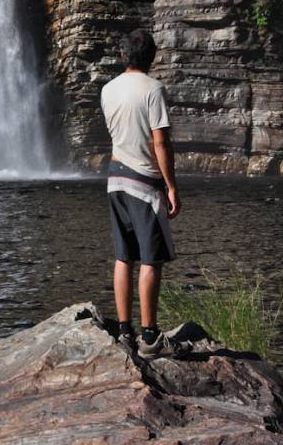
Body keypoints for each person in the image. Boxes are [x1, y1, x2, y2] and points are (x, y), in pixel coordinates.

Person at [100, 28, 182, 359]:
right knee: (151, 259)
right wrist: (172, 186)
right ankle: (149, 338)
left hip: (115, 179)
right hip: (143, 183)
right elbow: (159, 142)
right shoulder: (153, 89)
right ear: (152, 56)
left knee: (124, 256)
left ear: (123, 56)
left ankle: (124, 332)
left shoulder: (107, 89)